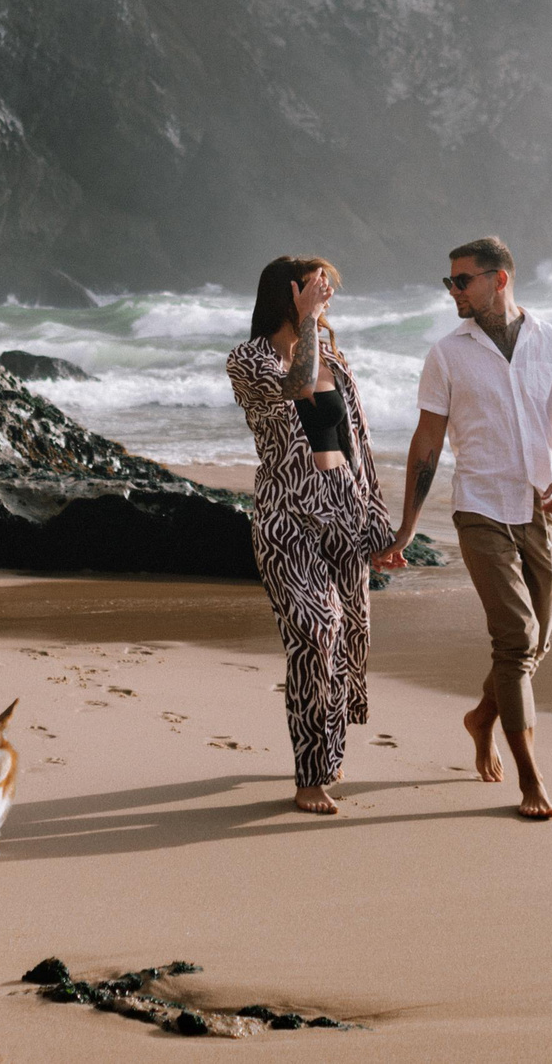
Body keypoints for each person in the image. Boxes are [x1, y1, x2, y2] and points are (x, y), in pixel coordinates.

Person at [379, 235, 552, 821]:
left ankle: (481, 717)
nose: (452, 291)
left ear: (499, 279)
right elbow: (427, 443)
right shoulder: (448, 353)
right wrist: (406, 530)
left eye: (461, 280)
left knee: (535, 644)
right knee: (517, 638)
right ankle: (530, 778)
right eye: (448, 282)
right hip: (479, 509)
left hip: (542, 509)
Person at [226, 255, 396, 815]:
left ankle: (328, 748)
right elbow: (296, 387)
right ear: (291, 293)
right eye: (319, 289)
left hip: (344, 508)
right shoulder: (247, 362)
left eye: (329, 291)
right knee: (316, 631)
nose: (327, 299)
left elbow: (358, 446)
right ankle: (310, 775)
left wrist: (378, 522)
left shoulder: (337, 362)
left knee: (347, 638)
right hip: (285, 515)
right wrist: (307, 321)